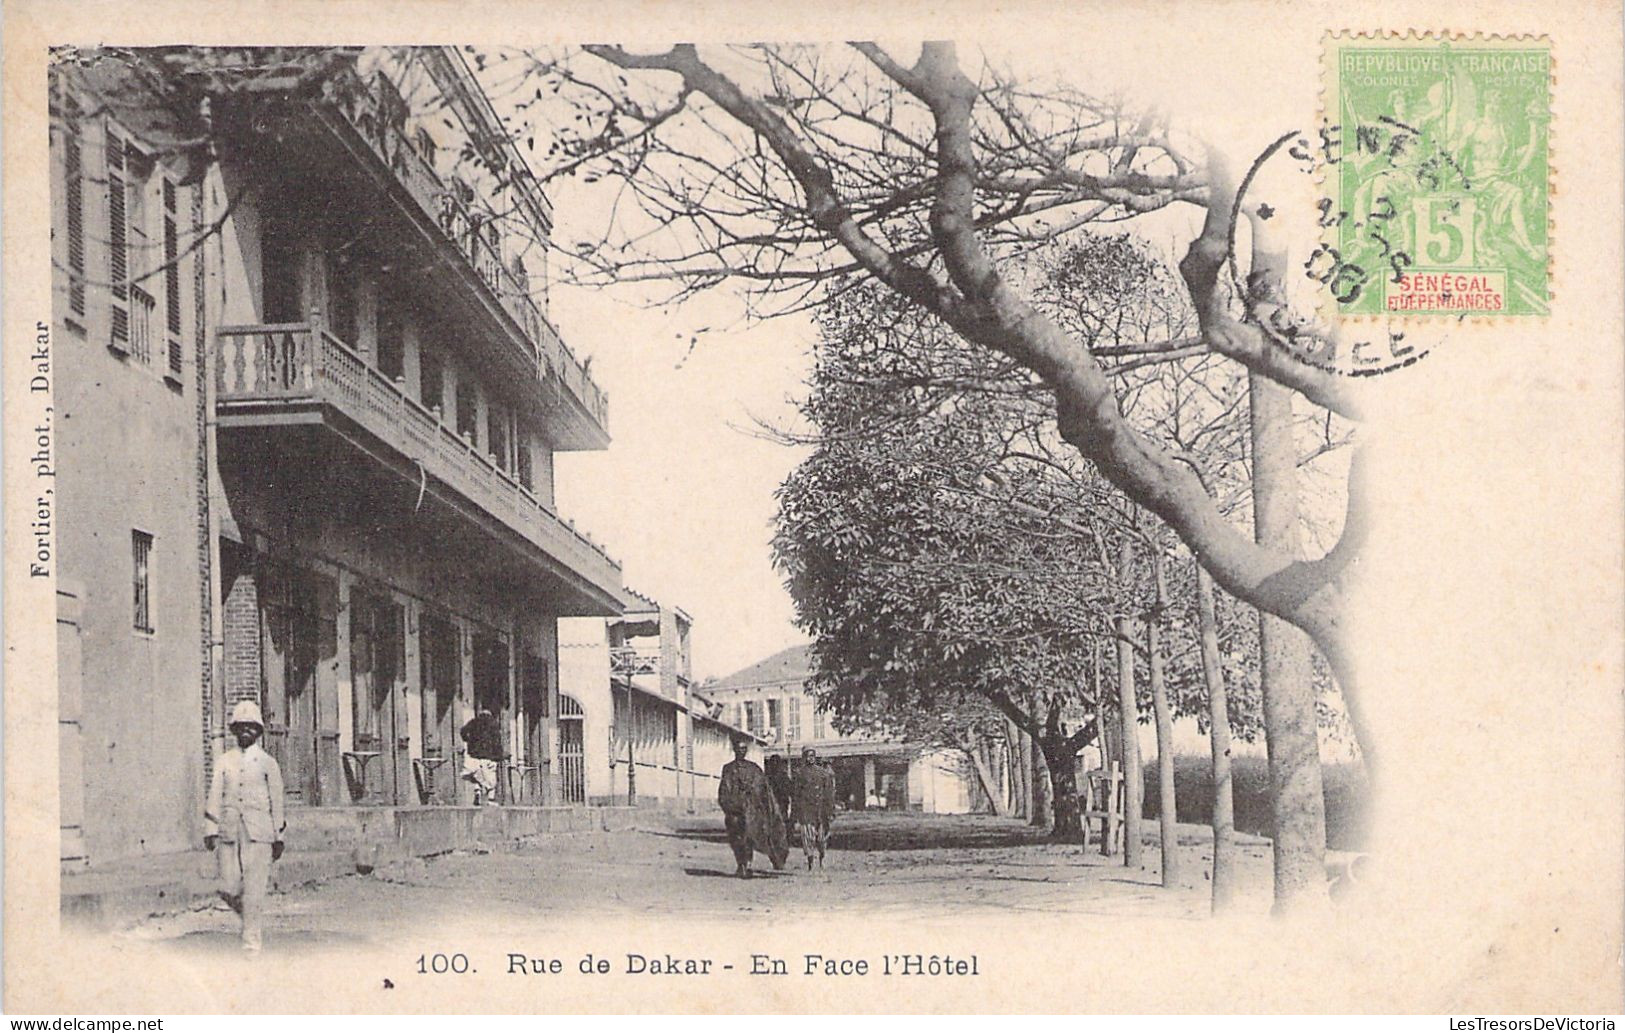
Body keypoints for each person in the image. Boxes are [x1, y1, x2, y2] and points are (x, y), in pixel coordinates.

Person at [204, 700, 286, 952]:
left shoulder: (267, 763)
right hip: (229, 830)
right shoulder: (224, 761)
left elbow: (277, 799)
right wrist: (210, 828)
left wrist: (278, 835)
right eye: (241, 726)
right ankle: (249, 916)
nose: (246, 731)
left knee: (254, 888)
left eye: (251, 727)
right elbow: (215, 794)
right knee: (228, 886)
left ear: (259, 731)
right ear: (234, 730)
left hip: (259, 832)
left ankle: (251, 945)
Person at [717, 737, 788, 878]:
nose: (741, 751)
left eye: (744, 748)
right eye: (738, 748)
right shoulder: (728, 768)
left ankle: (746, 864)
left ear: (746, 750)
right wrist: (730, 806)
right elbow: (723, 790)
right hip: (734, 812)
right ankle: (740, 863)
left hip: (752, 812)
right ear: (734, 750)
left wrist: (756, 804)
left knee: (748, 838)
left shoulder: (754, 769)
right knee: (736, 839)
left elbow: (763, 790)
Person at [790, 747, 837, 870]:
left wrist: (831, 810)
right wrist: (795, 813)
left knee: (821, 838)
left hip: (821, 810)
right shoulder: (799, 773)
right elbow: (796, 795)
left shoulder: (823, 773)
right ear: (804, 757)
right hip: (806, 810)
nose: (810, 758)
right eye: (808, 756)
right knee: (808, 838)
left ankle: (822, 858)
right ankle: (810, 861)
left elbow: (829, 793)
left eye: (812, 756)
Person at [460, 707, 503, 806]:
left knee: (477, 775)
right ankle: (490, 799)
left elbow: (463, 731)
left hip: (474, 755)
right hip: (489, 756)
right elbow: (497, 741)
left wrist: (468, 741)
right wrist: (498, 756)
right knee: (491, 777)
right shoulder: (493, 724)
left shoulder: (474, 722)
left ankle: (478, 792)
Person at [764, 753, 792, 821]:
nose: (774, 764)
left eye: (776, 762)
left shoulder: (784, 777)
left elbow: (789, 791)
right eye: (773, 762)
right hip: (770, 806)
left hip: (782, 804)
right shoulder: (767, 778)